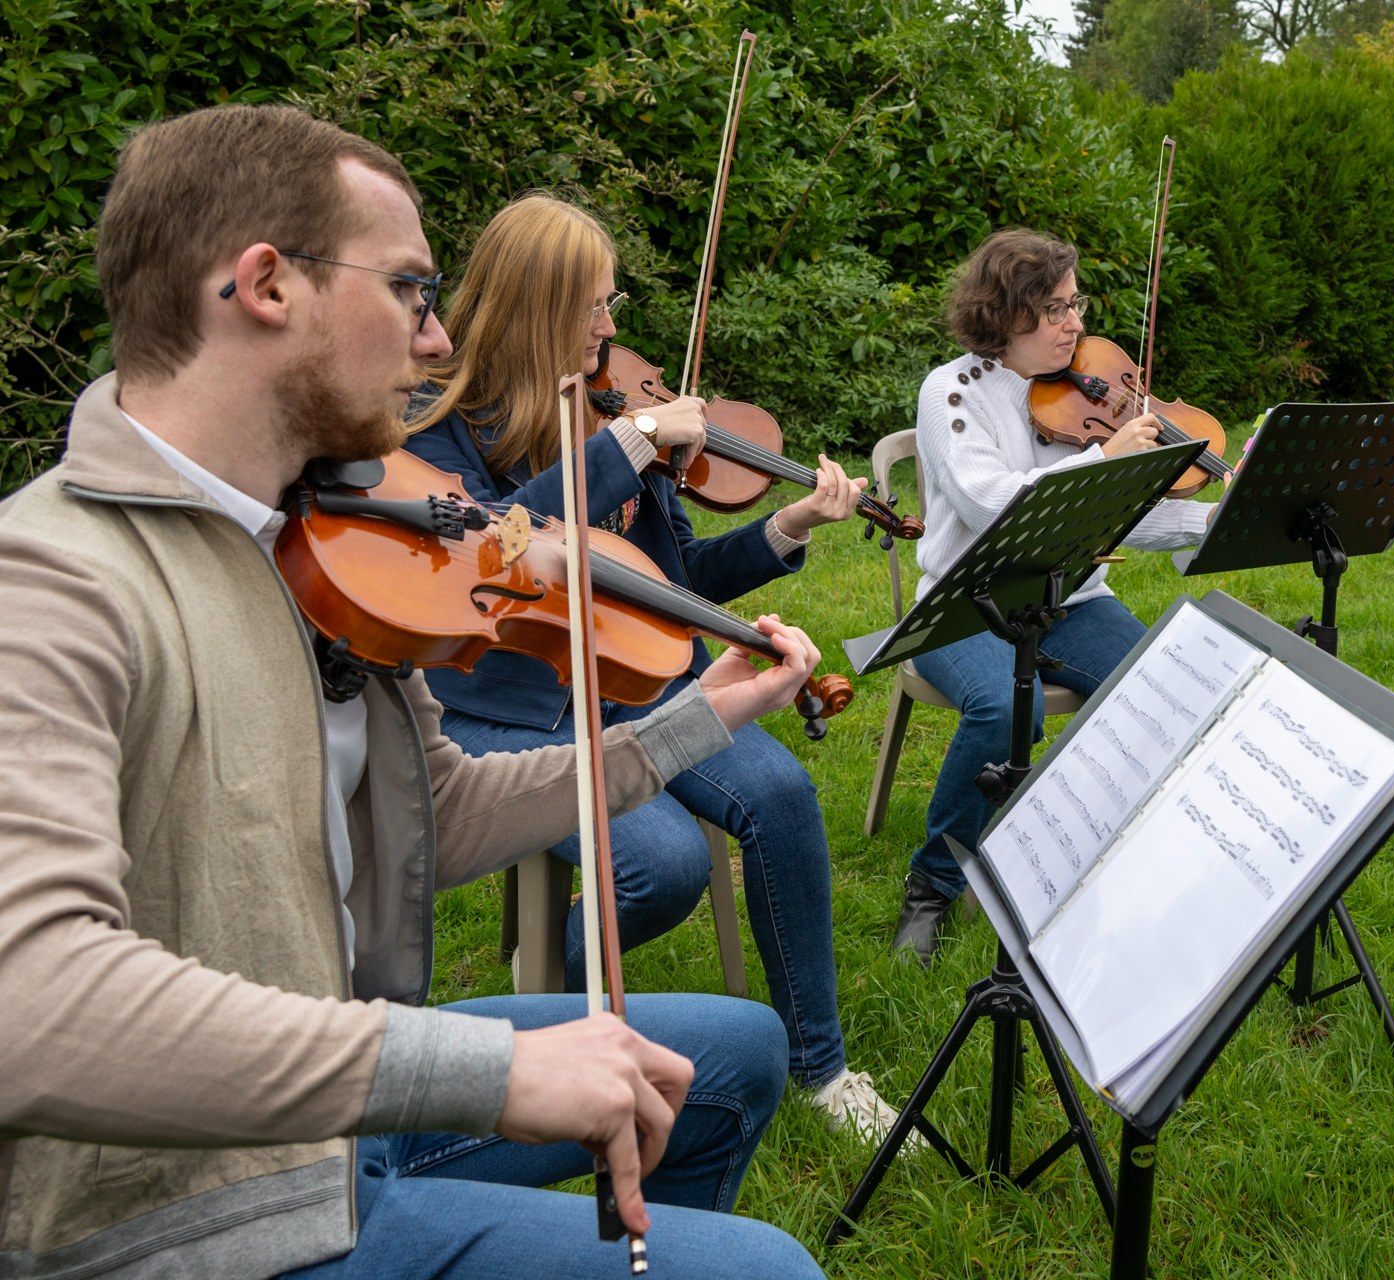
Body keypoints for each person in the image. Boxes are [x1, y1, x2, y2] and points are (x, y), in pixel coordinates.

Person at [0, 104, 829, 1279]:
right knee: (777, 1271)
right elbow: (29, 1006)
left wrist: (693, 723)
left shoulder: (331, 543)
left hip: (344, 1121)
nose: (437, 342)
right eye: (409, 291)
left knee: (734, 1051)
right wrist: (493, 1070)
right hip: (191, 1212)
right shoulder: (53, 578)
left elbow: (440, 811)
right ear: (267, 284)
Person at [405, 193, 912, 1143]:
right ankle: (549, 996)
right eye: (595, 307)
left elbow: (680, 579)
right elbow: (497, 545)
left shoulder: (611, 421)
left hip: (635, 674)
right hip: (508, 703)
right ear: (538, 308)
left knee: (784, 794)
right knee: (666, 866)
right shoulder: (436, 425)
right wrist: (622, 450)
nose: (610, 329)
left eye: (611, 305)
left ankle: (824, 1069)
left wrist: (786, 525)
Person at [890, 227, 1218, 962]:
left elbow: (1127, 515)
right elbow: (989, 503)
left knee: (1160, 691)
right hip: (967, 600)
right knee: (1010, 705)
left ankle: (1078, 856)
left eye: (1076, 304)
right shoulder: (953, 391)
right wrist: (1103, 458)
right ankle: (934, 886)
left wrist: (1218, 517)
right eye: (1056, 308)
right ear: (1006, 314)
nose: (1076, 322)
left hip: (1072, 596)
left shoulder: (1081, 395)